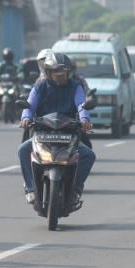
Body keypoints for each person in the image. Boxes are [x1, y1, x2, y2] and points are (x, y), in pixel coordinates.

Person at [18, 52, 95, 205]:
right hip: (43, 133)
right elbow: (29, 106)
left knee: (88, 155)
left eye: (63, 72)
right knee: (23, 150)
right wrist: (26, 118)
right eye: (56, 72)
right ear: (48, 72)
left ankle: (75, 190)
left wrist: (85, 120)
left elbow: (81, 104)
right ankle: (31, 189)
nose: (60, 75)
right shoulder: (39, 87)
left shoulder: (75, 86)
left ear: (69, 71)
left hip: (69, 133)